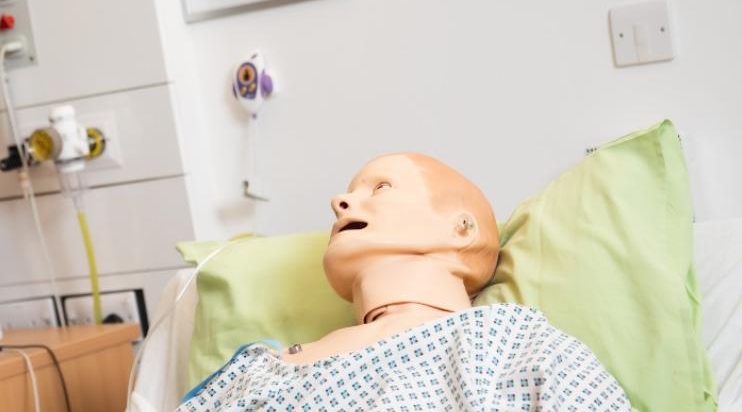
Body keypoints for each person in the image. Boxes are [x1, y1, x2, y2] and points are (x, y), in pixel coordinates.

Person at [180, 153, 629, 411]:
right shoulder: (258, 369)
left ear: (461, 229)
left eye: (380, 188)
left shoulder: (510, 346)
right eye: (347, 194)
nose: (340, 202)